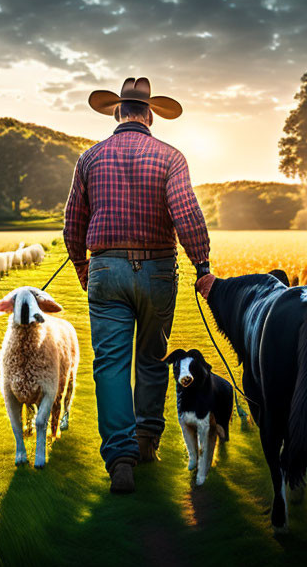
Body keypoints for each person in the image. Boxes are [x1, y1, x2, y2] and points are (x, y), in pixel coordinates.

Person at [64, 77, 211, 493]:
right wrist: (202, 265)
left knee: (110, 364)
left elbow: (73, 222)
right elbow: (187, 214)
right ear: (149, 115)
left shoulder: (89, 158)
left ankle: (120, 458)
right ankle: (147, 442)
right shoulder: (170, 156)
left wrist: (81, 265)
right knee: (151, 359)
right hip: (159, 271)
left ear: (117, 113)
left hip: (105, 270)